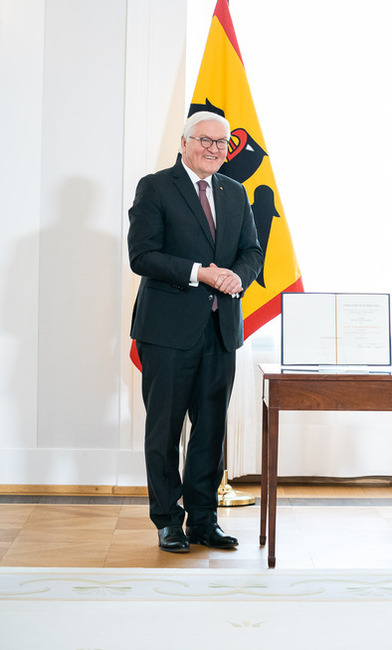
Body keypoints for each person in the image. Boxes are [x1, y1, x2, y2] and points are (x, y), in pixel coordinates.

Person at [128, 111, 264, 552]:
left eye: (222, 143)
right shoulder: (155, 187)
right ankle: (169, 520)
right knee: (164, 430)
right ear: (184, 142)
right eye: (204, 140)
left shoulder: (235, 191)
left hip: (220, 330)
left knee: (210, 430)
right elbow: (142, 256)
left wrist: (235, 277)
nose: (213, 148)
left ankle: (204, 521)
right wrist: (199, 273)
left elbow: (251, 251)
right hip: (167, 332)